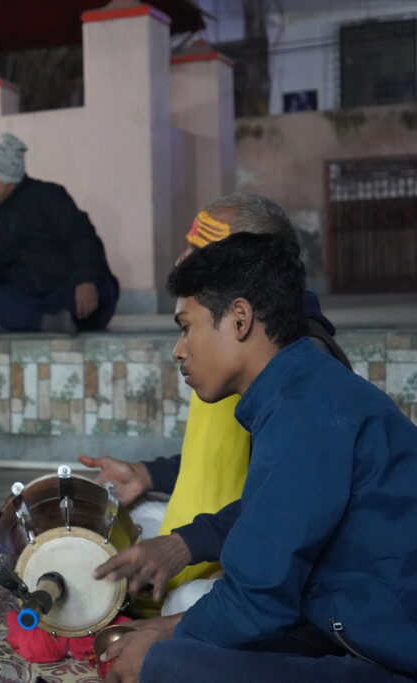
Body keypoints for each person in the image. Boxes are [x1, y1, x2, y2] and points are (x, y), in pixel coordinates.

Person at [100, 232, 417, 683]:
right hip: (351, 620)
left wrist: (167, 640)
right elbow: (273, 513)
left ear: (240, 318)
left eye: (186, 326)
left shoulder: (305, 409)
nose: (179, 350)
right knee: (182, 636)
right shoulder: (302, 387)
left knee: (169, 665)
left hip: (392, 649)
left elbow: (257, 601)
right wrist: (174, 615)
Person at [80, 194, 350, 615]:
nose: (182, 259)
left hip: (251, 547)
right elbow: (222, 458)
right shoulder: (230, 342)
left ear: (250, 269)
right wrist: (147, 473)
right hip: (214, 528)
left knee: (185, 607)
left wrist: (183, 546)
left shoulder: (300, 367)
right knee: (110, 523)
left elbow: (289, 506)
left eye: (199, 249)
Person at [0, 132, 119, 334]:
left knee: (103, 288)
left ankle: (20, 321)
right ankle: (43, 322)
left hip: (70, 293)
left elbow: (84, 239)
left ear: (5, 181)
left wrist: (86, 280)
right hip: (31, 298)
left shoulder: (49, 196)